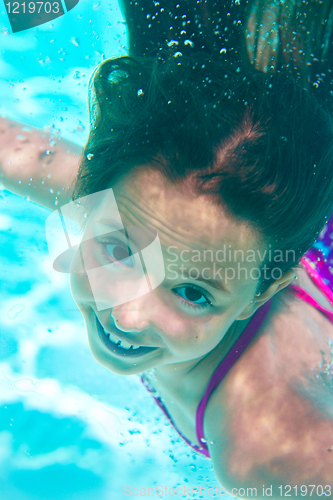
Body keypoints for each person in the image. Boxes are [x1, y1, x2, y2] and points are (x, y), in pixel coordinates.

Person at [2, 1, 333, 496]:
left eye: (193, 293)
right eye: (119, 252)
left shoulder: (268, 451)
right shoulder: (134, 209)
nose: (128, 316)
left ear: (261, 294)